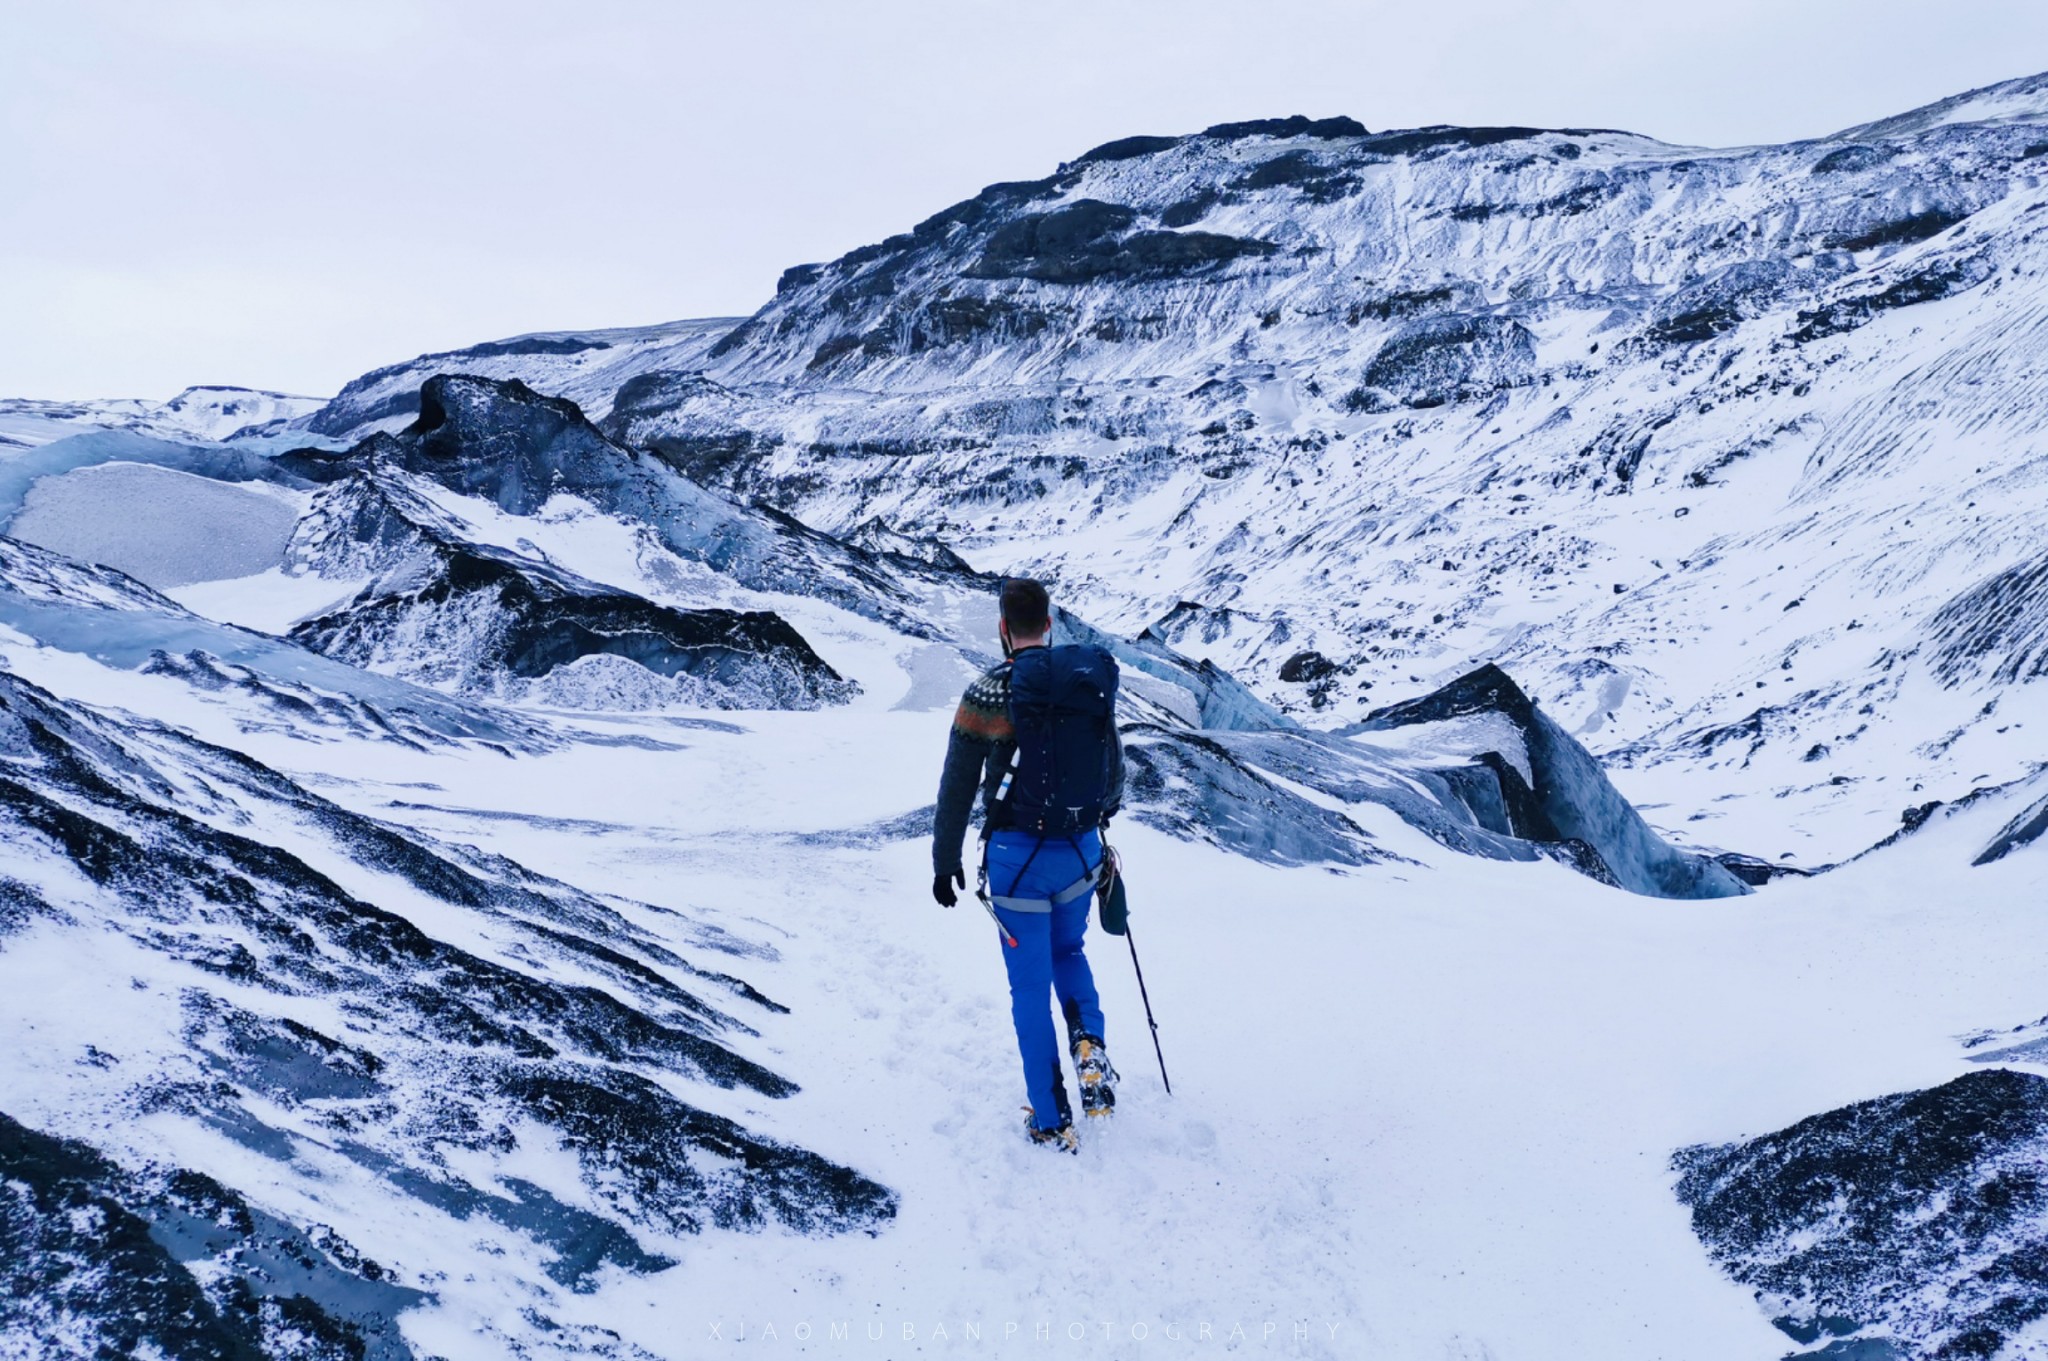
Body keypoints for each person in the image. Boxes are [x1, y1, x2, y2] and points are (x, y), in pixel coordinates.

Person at [932, 578, 1124, 1153]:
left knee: (1028, 990)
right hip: (1081, 852)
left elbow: (956, 788)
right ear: (1049, 624)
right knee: (1071, 952)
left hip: (1017, 864)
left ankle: (1049, 1115)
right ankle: (1089, 1044)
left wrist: (945, 862)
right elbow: (1113, 772)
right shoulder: (1084, 685)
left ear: (1002, 629)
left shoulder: (986, 694)